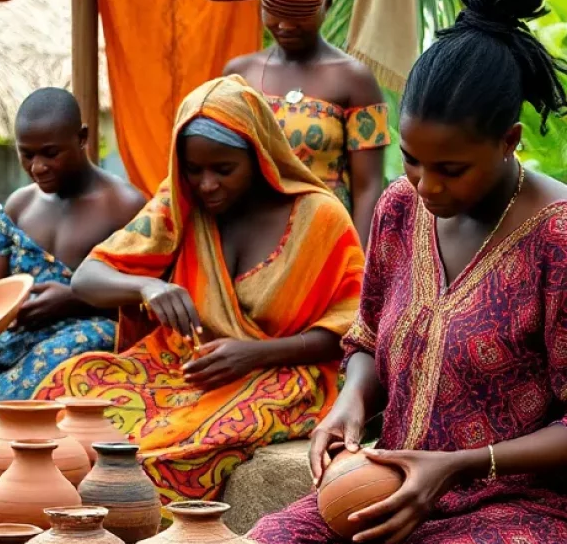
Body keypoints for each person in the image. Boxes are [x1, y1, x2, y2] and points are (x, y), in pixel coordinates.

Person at [234, 0, 567, 544]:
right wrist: (351, 402)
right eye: (413, 161)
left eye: (451, 169)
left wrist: (457, 467)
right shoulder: (397, 210)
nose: (426, 184)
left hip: (524, 508)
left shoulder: (558, 239)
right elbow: (364, 337)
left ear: (508, 141)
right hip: (388, 493)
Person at [34, 76, 364, 502]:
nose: (207, 184)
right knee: (65, 392)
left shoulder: (320, 218)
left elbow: (353, 328)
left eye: (224, 170)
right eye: (193, 169)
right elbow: (87, 278)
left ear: (260, 155)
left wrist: (254, 354)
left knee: (161, 453)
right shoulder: (181, 203)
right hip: (181, 367)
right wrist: (147, 286)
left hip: (280, 376)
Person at [0, 88, 146, 429]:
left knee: (8, 400)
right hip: (16, 336)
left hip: (87, 333)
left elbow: (145, 302)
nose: (38, 167)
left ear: (82, 138)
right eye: (26, 155)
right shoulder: (19, 206)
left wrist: (76, 301)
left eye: (51, 154)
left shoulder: (125, 206)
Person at [223, 0, 389, 243]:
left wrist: (359, 267)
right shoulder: (238, 73)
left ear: (326, 6)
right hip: (248, 241)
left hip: (323, 242)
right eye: (274, 8)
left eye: (300, 11)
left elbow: (369, 188)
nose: (285, 23)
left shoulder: (355, 81)